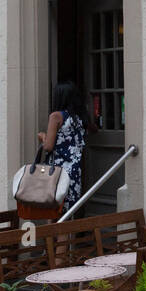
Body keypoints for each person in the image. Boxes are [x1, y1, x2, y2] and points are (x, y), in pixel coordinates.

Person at [38, 81, 88, 215]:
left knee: (53, 210)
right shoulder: (79, 117)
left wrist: (43, 136)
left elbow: (48, 146)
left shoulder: (56, 116)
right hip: (74, 170)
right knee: (68, 212)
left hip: (56, 171)